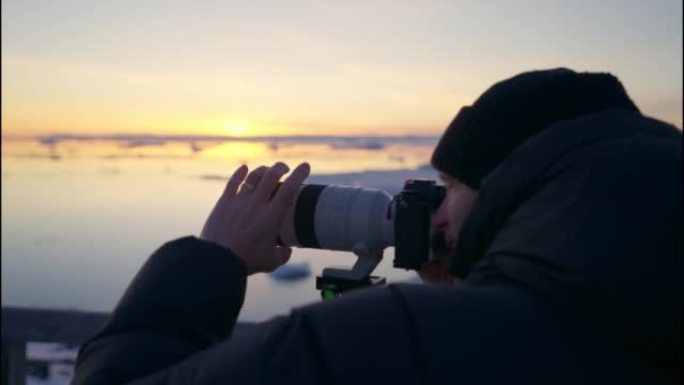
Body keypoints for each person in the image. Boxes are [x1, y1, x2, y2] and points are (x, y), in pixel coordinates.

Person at [72, 68, 682, 384]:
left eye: (448, 190)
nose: (433, 213)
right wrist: (482, 289)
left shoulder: (401, 342)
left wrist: (212, 260)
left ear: (507, 185)